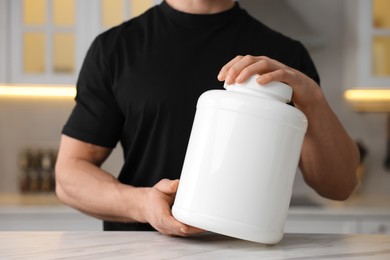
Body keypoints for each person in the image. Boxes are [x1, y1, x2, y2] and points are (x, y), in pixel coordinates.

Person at [55, 0, 360, 236]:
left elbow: (340, 186)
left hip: (247, 248)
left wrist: (314, 101)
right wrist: (142, 204)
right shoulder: (115, 49)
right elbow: (70, 175)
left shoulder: (285, 57)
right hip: (142, 246)